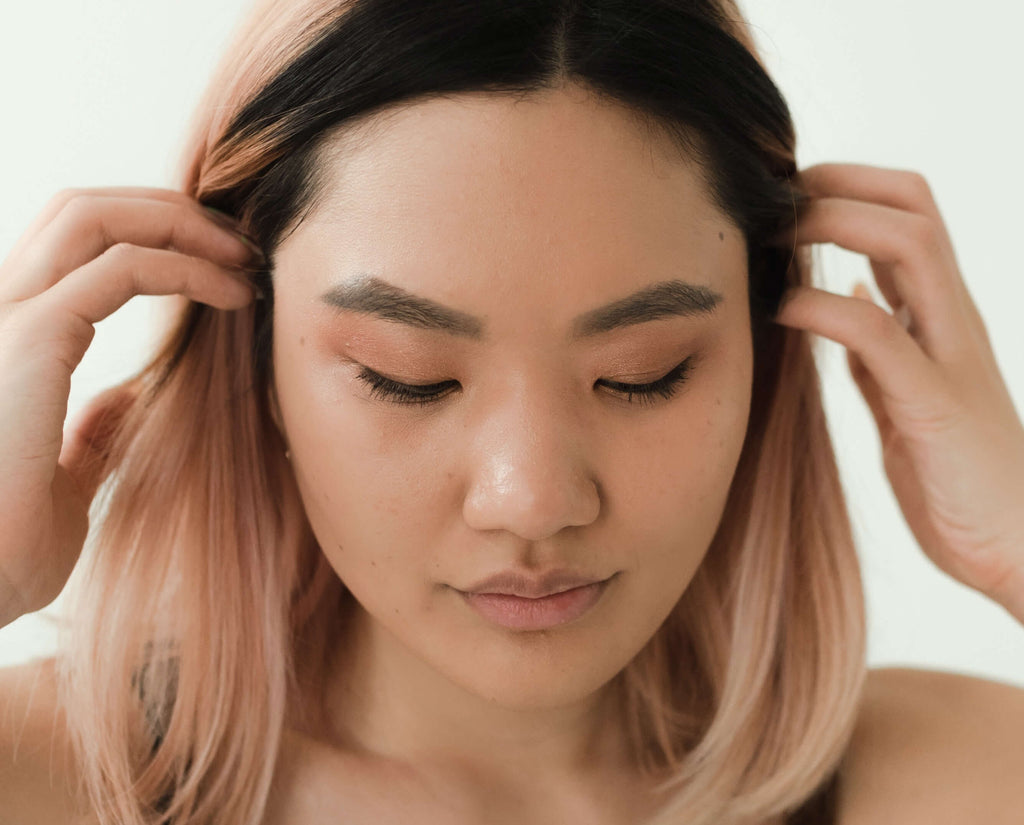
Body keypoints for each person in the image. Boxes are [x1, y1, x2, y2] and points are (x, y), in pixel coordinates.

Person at [1, 0, 1023, 823]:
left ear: (768, 351)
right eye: (408, 377)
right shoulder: (49, 784)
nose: (532, 501)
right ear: (254, 353)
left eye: (644, 371)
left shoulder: (959, 784)